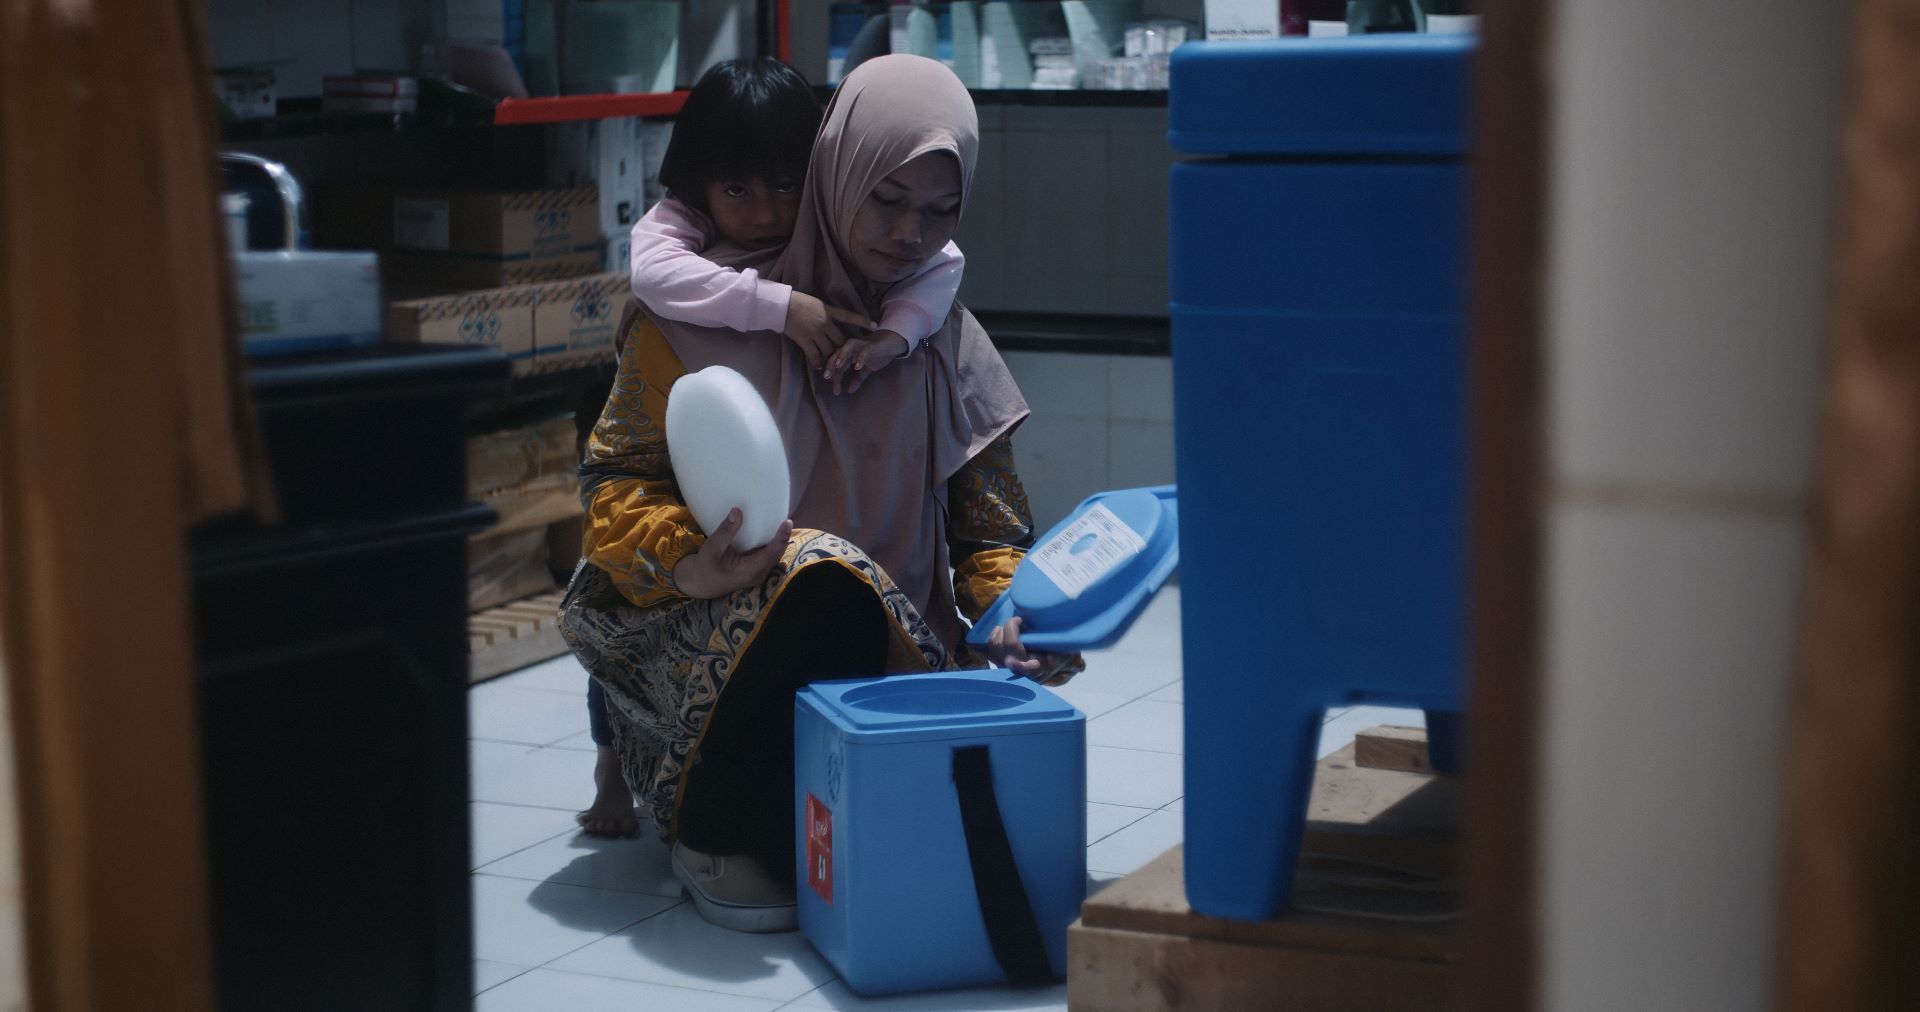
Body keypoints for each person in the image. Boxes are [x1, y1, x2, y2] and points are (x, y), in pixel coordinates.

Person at [558, 54, 1080, 932]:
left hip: (893, 667)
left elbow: (988, 527)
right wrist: (692, 563)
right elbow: (615, 487)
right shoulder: (692, 317)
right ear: (836, 172)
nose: (908, 235)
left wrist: (1015, 615)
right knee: (815, 572)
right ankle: (712, 827)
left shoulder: (937, 334)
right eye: (885, 198)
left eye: (939, 212)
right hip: (723, 652)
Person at [629, 56, 968, 392]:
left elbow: (942, 260)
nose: (767, 216)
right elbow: (651, 273)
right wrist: (782, 308)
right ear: (699, 182)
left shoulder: (837, 211)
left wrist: (897, 334)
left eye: (787, 186)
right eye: (736, 191)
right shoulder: (690, 212)